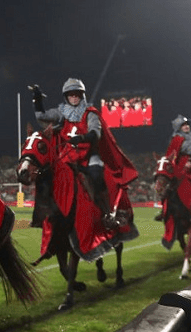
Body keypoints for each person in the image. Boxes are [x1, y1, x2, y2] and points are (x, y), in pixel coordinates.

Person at [31, 78, 136, 229]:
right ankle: (42, 214)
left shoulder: (90, 113)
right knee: (48, 174)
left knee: (95, 174)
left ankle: (108, 212)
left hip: (89, 154)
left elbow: (96, 133)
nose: (73, 98)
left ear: (82, 96)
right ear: (66, 97)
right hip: (69, 154)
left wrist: (81, 138)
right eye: (70, 95)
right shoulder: (62, 112)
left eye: (76, 95)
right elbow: (41, 117)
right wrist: (37, 100)